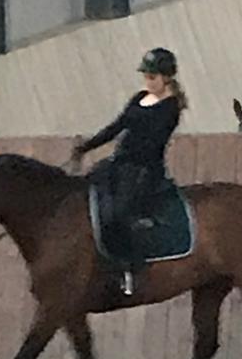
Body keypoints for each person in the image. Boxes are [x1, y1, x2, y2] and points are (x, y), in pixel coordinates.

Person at [73, 47, 186, 295]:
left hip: (144, 170)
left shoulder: (170, 108)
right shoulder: (139, 98)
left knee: (119, 215)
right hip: (119, 165)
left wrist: (126, 157)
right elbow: (117, 126)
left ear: (166, 77)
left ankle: (131, 269)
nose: (147, 81)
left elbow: (153, 142)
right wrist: (87, 146)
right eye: (145, 76)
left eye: (152, 77)